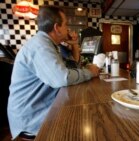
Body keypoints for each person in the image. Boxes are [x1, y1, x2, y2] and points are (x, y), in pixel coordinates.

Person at [7, 6, 100, 140]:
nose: (68, 29)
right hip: (31, 118)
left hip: (37, 108)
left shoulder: (49, 44)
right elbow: (62, 78)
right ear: (57, 28)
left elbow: (71, 67)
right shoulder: (40, 46)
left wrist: (74, 44)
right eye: (66, 24)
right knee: (84, 122)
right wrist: (90, 72)